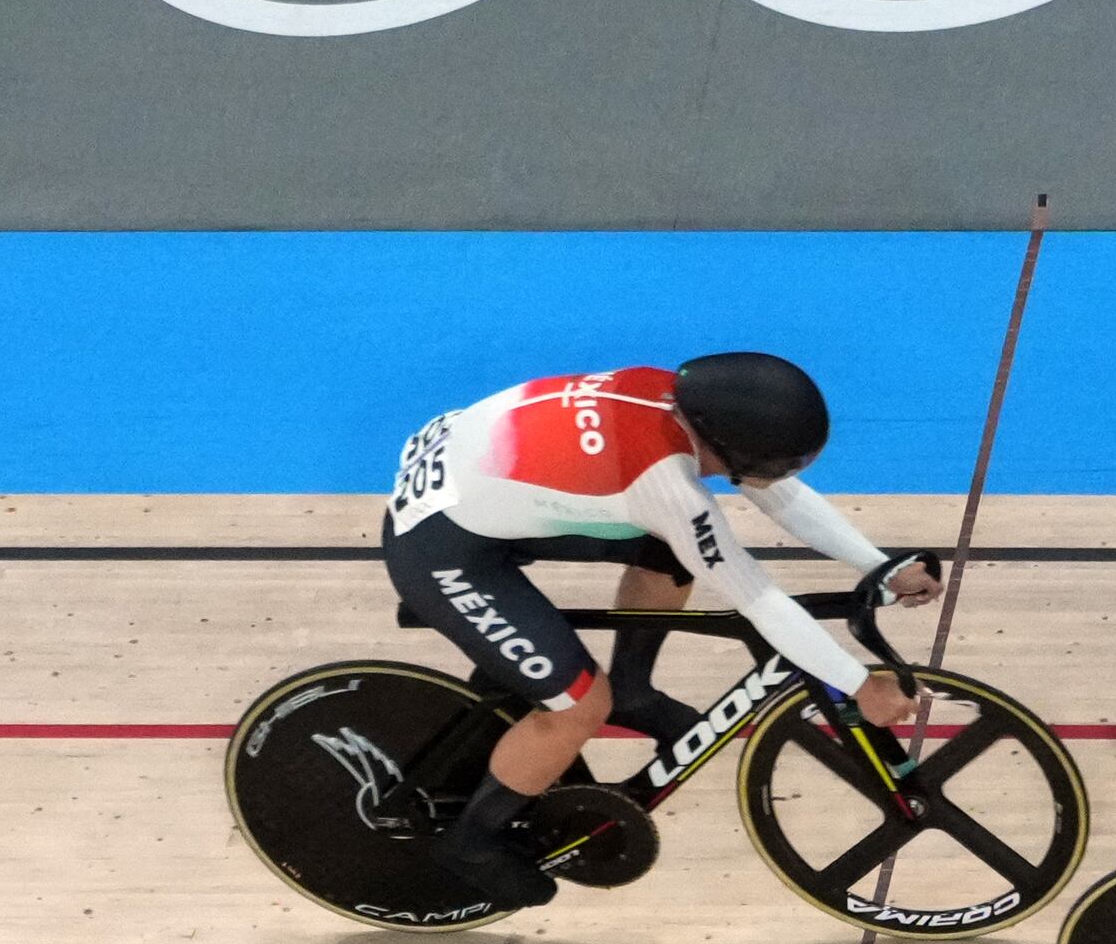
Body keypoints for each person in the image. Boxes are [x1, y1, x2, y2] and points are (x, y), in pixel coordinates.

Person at [379, 354, 938, 911]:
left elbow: (775, 490)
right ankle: (472, 841)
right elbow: (758, 598)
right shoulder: (662, 480)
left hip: (470, 487)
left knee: (672, 552)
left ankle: (633, 687)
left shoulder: (674, 395)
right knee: (578, 708)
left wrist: (876, 564)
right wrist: (859, 685)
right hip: (442, 550)